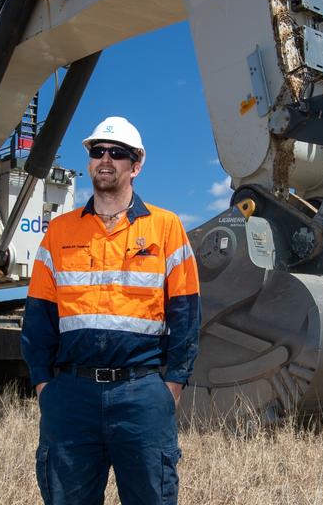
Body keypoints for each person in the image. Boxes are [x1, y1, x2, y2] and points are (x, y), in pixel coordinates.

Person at [22, 116, 201, 505]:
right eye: (97, 151)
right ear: (89, 161)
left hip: (142, 395)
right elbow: (38, 318)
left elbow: (186, 316)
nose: (106, 159)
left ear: (135, 165)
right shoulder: (60, 232)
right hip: (72, 397)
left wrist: (171, 386)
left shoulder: (167, 229)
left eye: (117, 153)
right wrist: (44, 387)